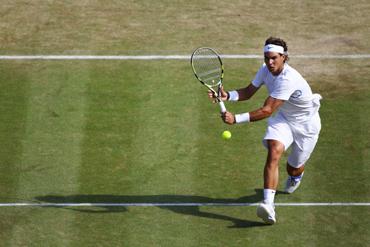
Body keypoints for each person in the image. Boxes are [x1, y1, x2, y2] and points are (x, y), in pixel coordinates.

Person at [209, 37, 322, 224]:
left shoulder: (289, 79)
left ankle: (296, 176)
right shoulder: (265, 69)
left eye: (274, 58)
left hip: (306, 125)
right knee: (274, 150)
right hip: (284, 119)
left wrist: (235, 119)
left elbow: (267, 110)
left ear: (284, 57)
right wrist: (227, 95)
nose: (269, 62)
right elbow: (248, 91)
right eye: (266, 57)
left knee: (293, 168)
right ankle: (268, 205)